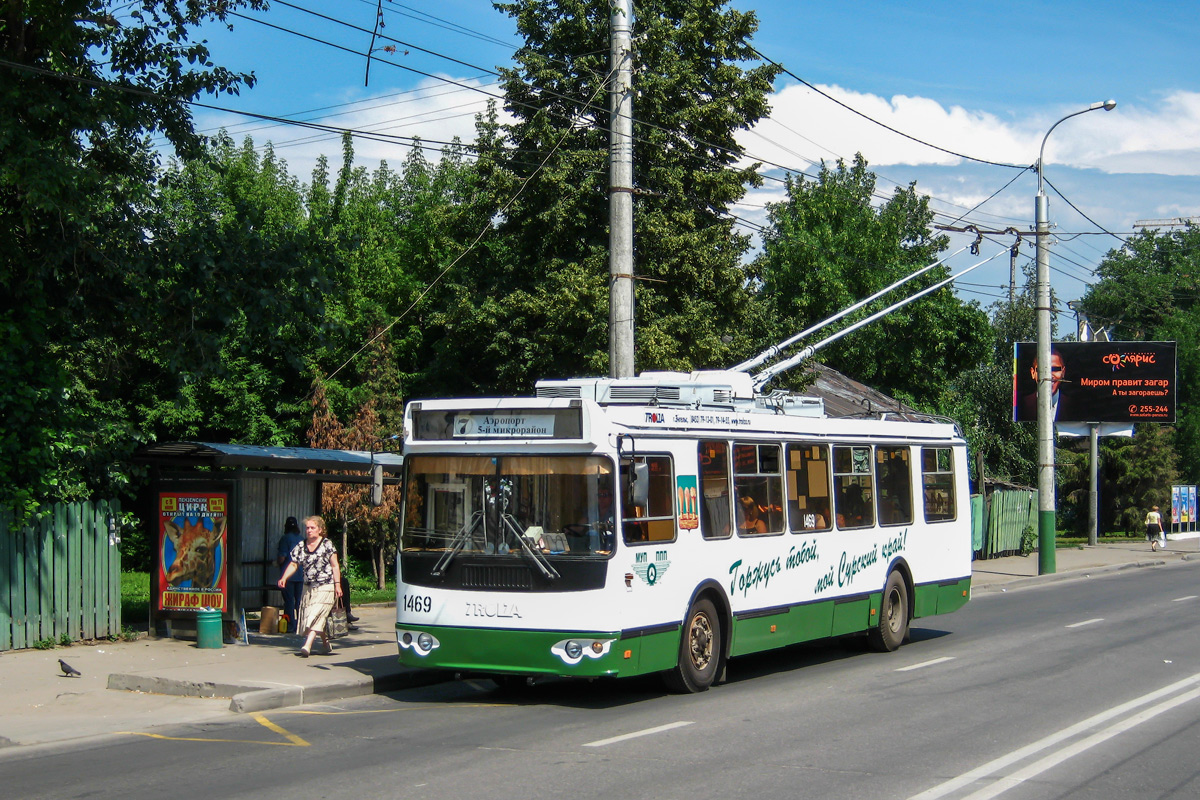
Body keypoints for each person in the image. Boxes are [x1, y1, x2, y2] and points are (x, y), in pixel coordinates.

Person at [277, 515, 343, 657]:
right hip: (308, 588)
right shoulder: (301, 545)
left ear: (320, 529)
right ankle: (325, 644)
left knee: (315, 615)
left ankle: (307, 645)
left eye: (312, 528)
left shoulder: (327, 544)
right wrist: (284, 577)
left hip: (326, 586)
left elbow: (335, 566)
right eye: (307, 528)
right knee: (315, 617)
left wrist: (338, 585)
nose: (309, 530)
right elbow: (294, 563)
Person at [1019, 348, 1072, 421]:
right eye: (1042, 370)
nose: (1049, 376)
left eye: (1055, 369)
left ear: (1063, 372)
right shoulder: (1021, 406)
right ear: (1033, 373)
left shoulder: (1074, 406)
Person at [275, 516, 305, 632]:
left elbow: (282, 558)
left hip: (288, 575)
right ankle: (301, 624)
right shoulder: (302, 539)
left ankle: (290, 625)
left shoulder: (285, 539)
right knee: (299, 601)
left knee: (289, 601)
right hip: (300, 575)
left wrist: (276, 562)